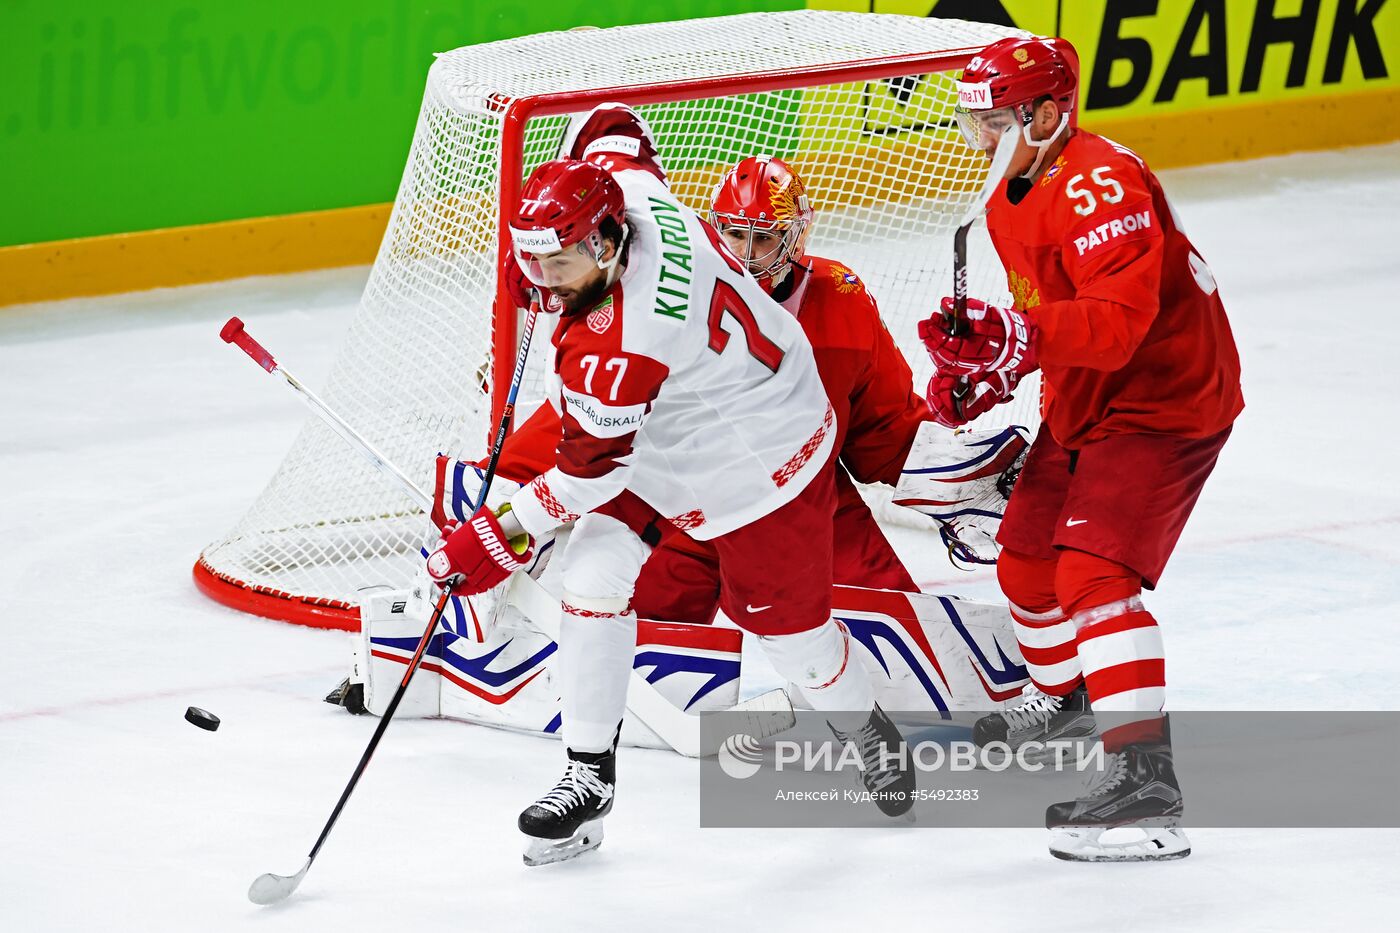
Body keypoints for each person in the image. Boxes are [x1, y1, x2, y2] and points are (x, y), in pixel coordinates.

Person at [426, 104, 914, 865]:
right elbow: (616, 129)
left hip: (764, 458)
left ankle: (870, 734)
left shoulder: (622, 341)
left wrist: (494, 535)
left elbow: (585, 476)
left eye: (559, 266)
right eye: (533, 263)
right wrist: (582, 164)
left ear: (606, 241)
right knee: (593, 574)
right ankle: (587, 775)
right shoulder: (631, 193)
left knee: (795, 642)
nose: (544, 282)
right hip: (677, 419)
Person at [921, 36, 1243, 861]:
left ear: (1048, 113)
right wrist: (995, 372)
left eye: (995, 120)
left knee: (1092, 575)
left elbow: (1118, 324)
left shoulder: (1100, 183)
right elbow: (1060, 321)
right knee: (1026, 563)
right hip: (1089, 396)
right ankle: (1067, 701)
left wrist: (1016, 338)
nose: (981, 138)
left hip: (1165, 399)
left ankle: (1147, 785)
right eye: (975, 121)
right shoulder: (1010, 193)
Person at [474, 153, 945, 624]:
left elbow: (885, 428)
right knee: (642, 653)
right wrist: (490, 496)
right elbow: (579, 429)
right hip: (681, 509)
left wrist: (960, 483)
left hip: (802, 495)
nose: (746, 251)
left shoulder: (839, 298)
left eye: (764, 238)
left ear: (795, 237)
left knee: (894, 632)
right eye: (736, 233)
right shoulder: (661, 303)